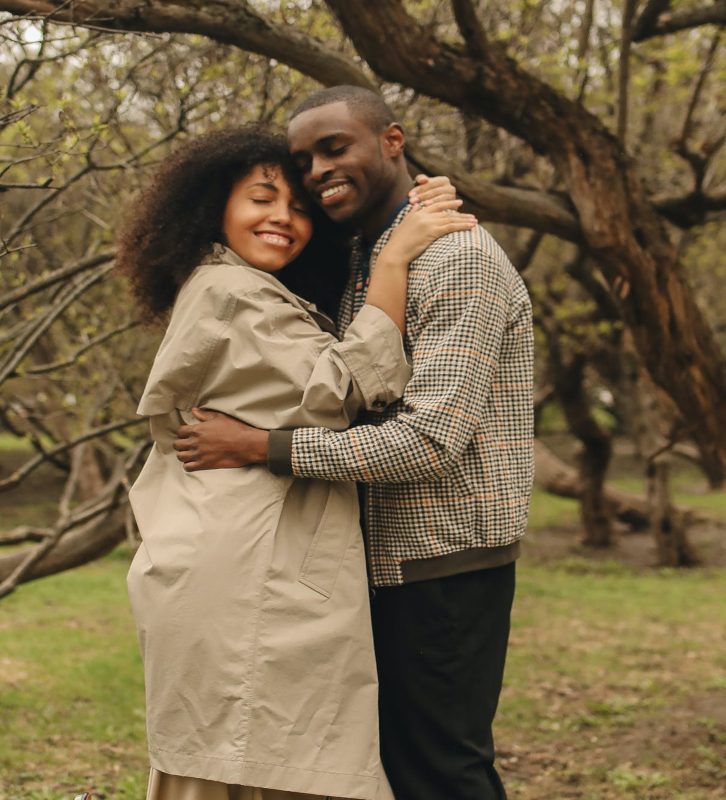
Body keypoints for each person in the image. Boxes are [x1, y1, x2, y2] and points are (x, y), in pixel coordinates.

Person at [173, 87, 536, 800]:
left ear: (392, 142)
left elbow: (429, 442)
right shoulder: (375, 258)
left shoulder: (456, 260)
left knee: (444, 772)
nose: (315, 170)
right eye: (303, 158)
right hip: (387, 559)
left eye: (334, 147)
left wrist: (262, 448)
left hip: (443, 561)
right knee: (401, 770)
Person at [117, 125, 476, 800]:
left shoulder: (253, 291)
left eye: (300, 209)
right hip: (249, 563)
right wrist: (396, 259)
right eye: (260, 198)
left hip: (248, 551)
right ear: (212, 208)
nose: (283, 218)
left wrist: (411, 209)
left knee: (239, 756)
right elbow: (341, 389)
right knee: (256, 757)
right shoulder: (229, 289)